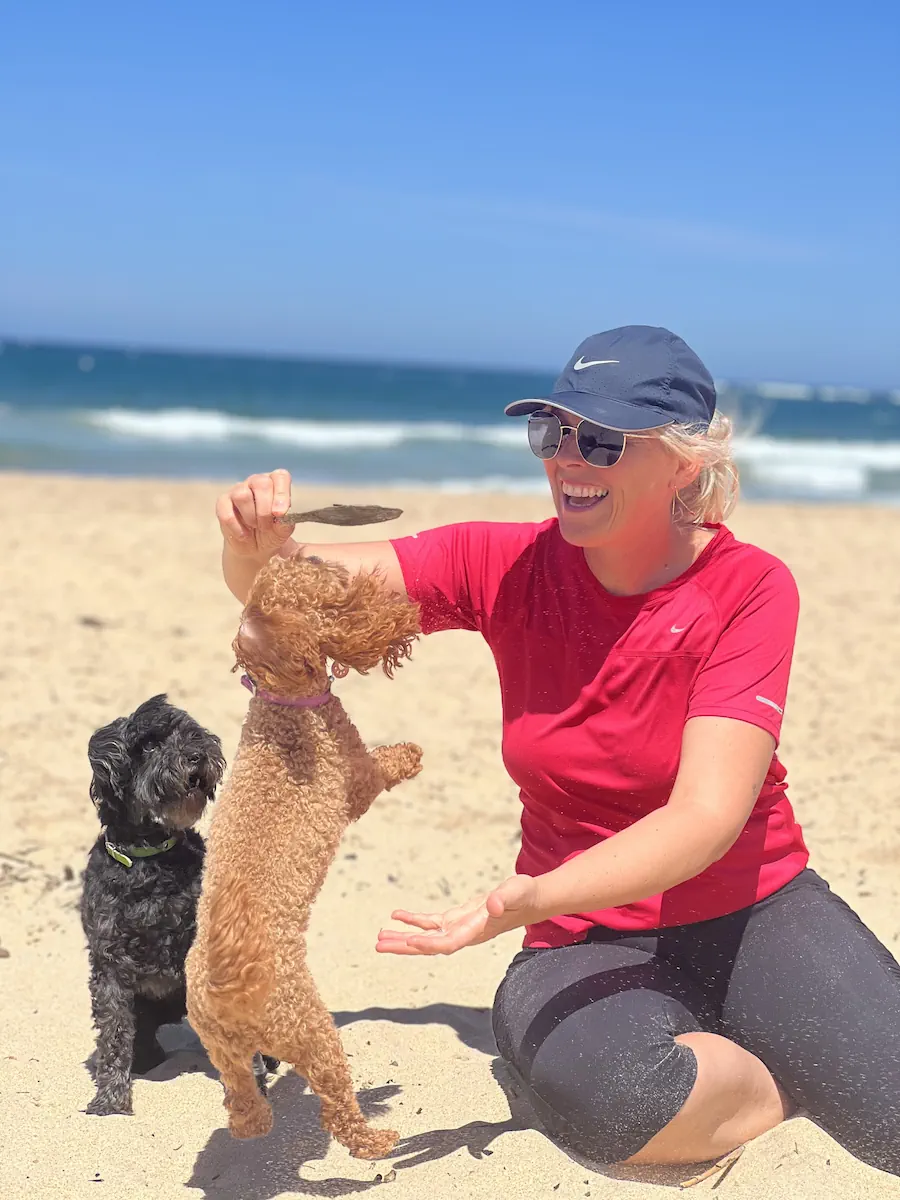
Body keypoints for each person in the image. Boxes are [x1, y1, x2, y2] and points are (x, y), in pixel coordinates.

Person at [215, 325, 900, 1175]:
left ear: (683, 463)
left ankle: (753, 1036)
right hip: (580, 934)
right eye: (554, 432)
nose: (569, 460)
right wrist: (249, 552)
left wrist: (527, 896)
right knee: (619, 1103)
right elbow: (292, 599)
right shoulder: (502, 563)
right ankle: (771, 1085)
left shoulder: (751, 587)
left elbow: (706, 819)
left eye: (604, 440)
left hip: (752, 907)